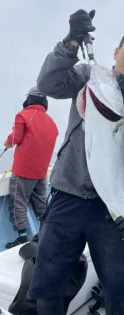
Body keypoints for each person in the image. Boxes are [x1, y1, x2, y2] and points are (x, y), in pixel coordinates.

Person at [27, 9, 124, 315]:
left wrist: (121, 203)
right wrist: (70, 43)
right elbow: (48, 84)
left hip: (109, 209)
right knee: (48, 282)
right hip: (67, 196)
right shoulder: (90, 75)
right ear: (116, 52)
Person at [4, 87, 58, 249]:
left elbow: (15, 138)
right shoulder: (51, 122)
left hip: (23, 170)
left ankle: (21, 237)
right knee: (41, 204)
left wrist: (7, 142)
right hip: (41, 172)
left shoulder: (23, 115)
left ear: (30, 100)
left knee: (18, 202)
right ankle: (49, 233)